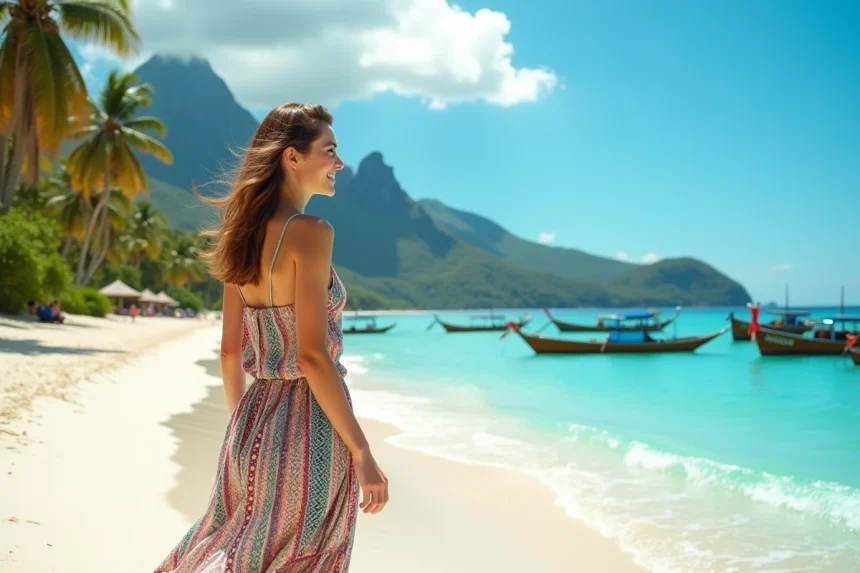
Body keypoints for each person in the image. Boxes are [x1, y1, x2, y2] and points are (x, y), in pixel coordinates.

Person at [153, 103, 388, 573]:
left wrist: (246, 426)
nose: (339, 163)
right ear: (292, 157)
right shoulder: (311, 232)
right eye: (330, 151)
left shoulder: (238, 237)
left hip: (249, 424)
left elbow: (229, 353)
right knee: (299, 560)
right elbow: (312, 356)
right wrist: (362, 453)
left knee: (230, 547)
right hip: (308, 426)